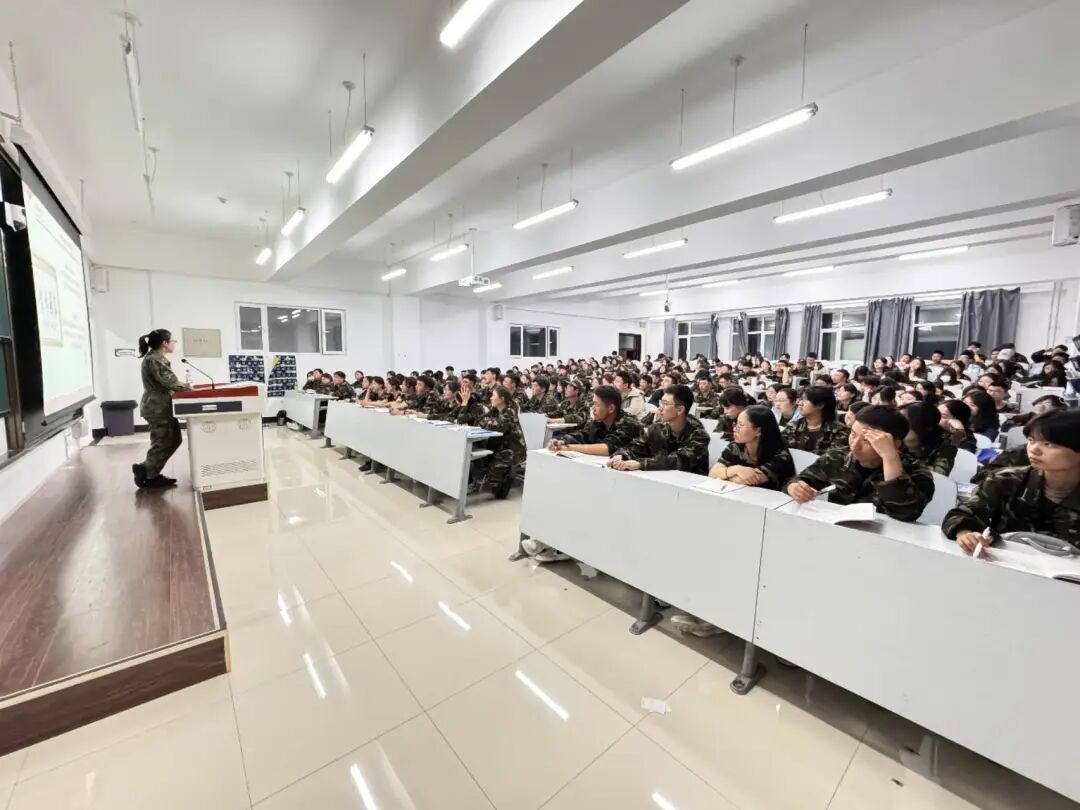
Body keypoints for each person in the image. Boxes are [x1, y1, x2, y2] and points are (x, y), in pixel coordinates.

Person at [943, 410, 1080, 552]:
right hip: (1004, 559)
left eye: (1048, 444)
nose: (1033, 449)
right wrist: (965, 532)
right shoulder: (1006, 480)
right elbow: (961, 514)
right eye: (1031, 440)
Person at [785, 405, 935, 522]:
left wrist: (890, 458)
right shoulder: (837, 456)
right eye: (853, 434)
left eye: (867, 441)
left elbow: (905, 513)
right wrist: (794, 487)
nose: (855, 446)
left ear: (894, 443)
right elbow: (801, 480)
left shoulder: (916, 471)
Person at [133, 329, 191, 489]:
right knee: (162, 442)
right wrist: (191, 390)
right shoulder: (155, 359)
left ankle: (147, 469)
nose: (174, 343)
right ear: (164, 343)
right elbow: (170, 382)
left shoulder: (154, 358)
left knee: (174, 440)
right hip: (157, 407)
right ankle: (149, 474)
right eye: (172, 341)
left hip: (161, 406)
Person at [609, 384, 710, 474]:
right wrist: (621, 455)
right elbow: (636, 446)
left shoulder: (699, 435)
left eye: (665, 404)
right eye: (661, 403)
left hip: (690, 485)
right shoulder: (656, 429)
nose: (660, 408)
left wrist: (641, 464)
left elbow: (678, 460)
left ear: (680, 410)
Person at [709, 405, 795, 489]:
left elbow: (742, 482)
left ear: (758, 431)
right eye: (736, 424)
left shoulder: (780, 456)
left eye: (740, 425)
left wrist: (724, 474)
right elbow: (712, 473)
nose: (734, 429)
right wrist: (737, 469)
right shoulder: (736, 446)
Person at [547, 385, 641, 457]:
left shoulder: (629, 423)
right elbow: (584, 435)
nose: (593, 408)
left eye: (597, 404)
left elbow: (607, 448)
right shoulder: (599, 421)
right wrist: (561, 441)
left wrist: (568, 448)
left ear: (611, 408)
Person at [472, 385, 526, 500]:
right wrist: (488, 422)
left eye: (493, 396)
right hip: (499, 446)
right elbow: (478, 422)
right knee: (479, 462)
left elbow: (498, 426)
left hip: (513, 450)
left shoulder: (510, 411)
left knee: (498, 492)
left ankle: (509, 474)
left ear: (502, 399)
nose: (491, 398)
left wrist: (488, 422)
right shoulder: (495, 410)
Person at [782, 387, 849, 454]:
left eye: (804, 400)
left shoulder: (839, 430)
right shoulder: (793, 426)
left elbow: (835, 456)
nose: (799, 403)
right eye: (800, 399)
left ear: (820, 405)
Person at [900, 401, 957, 476]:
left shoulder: (945, 445)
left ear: (925, 426)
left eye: (906, 422)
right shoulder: (893, 439)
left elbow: (938, 476)